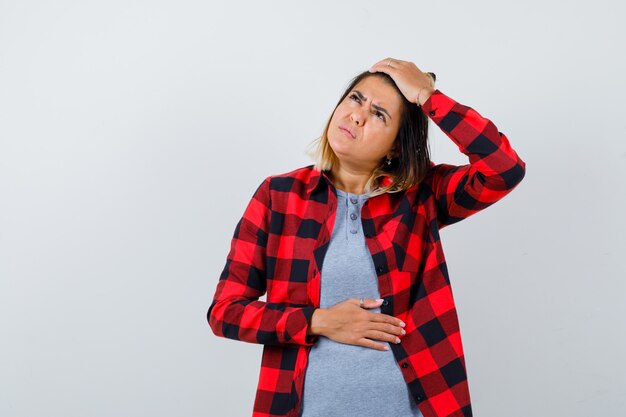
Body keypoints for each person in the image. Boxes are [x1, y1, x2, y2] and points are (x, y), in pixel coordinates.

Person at [207, 57, 526, 417]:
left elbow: (504, 169)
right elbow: (225, 312)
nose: (358, 115)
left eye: (379, 114)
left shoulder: (421, 196)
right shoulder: (278, 196)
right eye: (356, 99)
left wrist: (428, 96)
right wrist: (316, 321)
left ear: (395, 148)